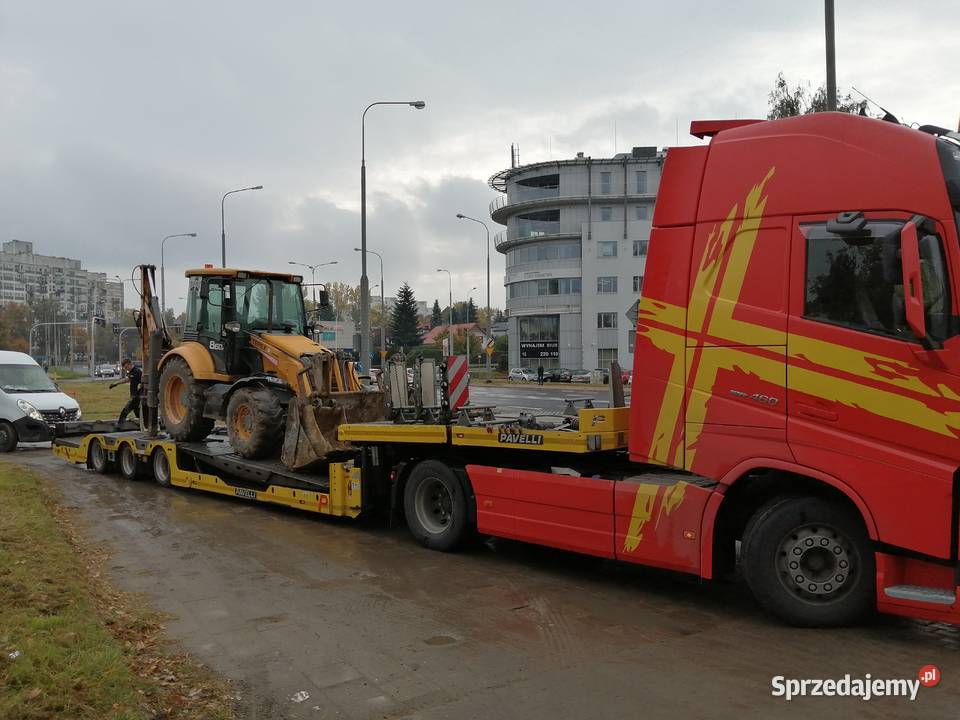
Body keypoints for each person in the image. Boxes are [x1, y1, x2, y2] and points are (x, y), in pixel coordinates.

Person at [110, 358, 143, 426]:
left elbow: (142, 383)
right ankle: (143, 425)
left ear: (130, 364)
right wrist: (115, 384)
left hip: (136, 396)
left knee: (125, 410)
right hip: (133, 395)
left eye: (126, 367)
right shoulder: (131, 372)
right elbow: (127, 380)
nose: (126, 369)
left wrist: (139, 393)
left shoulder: (137, 371)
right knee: (138, 413)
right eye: (124, 368)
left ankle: (119, 426)